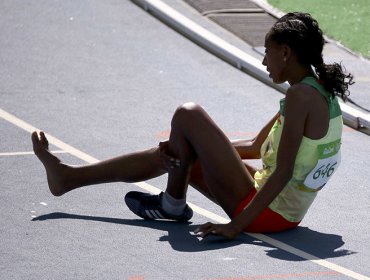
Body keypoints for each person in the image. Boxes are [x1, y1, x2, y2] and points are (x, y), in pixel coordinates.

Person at [32, 12, 353, 240]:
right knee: (180, 144)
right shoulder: (318, 89)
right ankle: (71, 178)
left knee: (188, 114)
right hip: (285, 212)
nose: (264, 61)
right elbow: (256, 146)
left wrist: (236, 226)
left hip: (269, 213)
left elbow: (282, 172)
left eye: (267, 53)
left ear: (285, 52)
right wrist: (191, 144)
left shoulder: (300, 97)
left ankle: (169, 202)